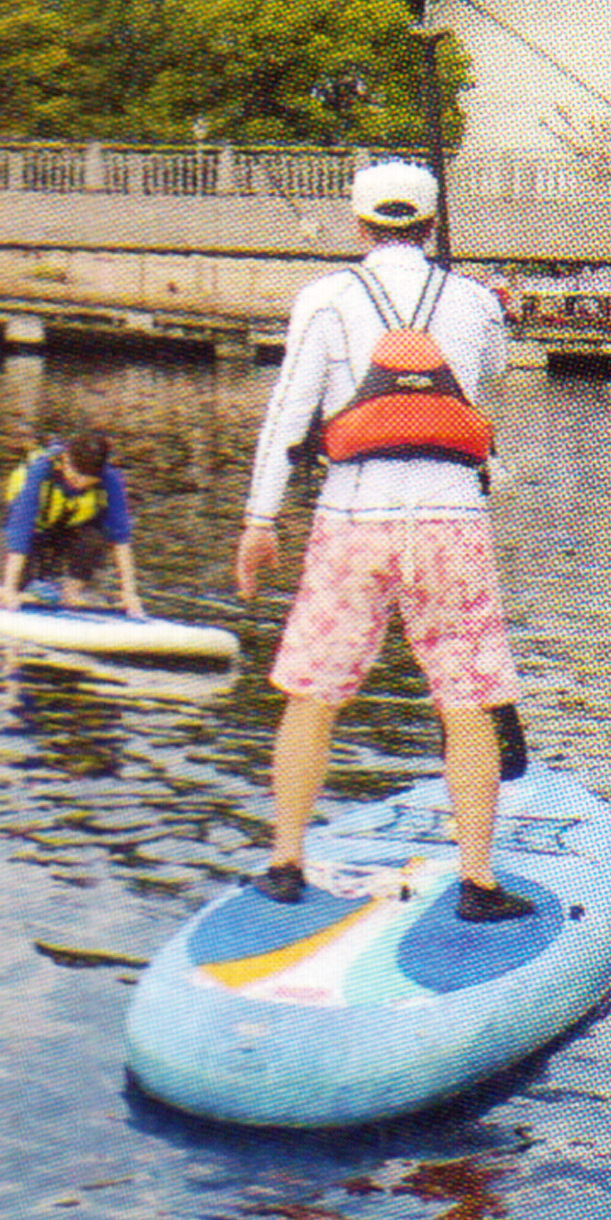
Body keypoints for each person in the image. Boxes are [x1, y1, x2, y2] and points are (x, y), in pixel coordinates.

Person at [234, 160, 535, 924]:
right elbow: (493, 371)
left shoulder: (326, 299)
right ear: (431, 226)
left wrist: (260, 521)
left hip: (351, 520)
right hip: (451, 522)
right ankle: (477, 882)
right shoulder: (472, 302)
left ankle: (284, 864)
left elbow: (288, 412)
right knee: (468, 700)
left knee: (313, 693)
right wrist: (498, 307)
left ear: (360, 222)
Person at [0, 433, 143, 619]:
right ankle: (8, 585)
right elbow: (20, 531)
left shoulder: (110, 478)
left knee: (96, 536)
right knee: (12, 584)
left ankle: (71, 593)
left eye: (86, 479)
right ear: (65, 460)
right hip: (33, 534)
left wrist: (130, 594)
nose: (78, 483)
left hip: (69, 535)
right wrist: (9, 587)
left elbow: (121, 539)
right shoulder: (41, 470)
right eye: (74, 476)